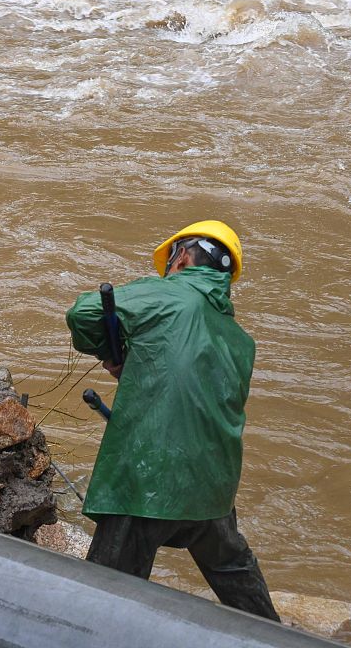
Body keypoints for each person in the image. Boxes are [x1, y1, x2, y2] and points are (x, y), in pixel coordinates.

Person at [64, 220, 280, 621]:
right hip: (214, 489)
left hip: (149, 477)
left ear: (182, 255)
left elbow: (84, 312)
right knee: (234, 569)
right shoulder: (240, 341)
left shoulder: (168, 293)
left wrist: (112, 356)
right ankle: (279, 638)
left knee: (102, 598)